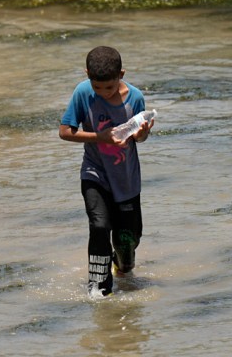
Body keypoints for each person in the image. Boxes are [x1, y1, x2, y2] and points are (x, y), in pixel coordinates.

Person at [58, 45, 153, 299]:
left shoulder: (135, 98)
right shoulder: (82, 93)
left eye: (108, 87)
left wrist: (142, 135)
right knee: (99, 225)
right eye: (96, 87)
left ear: (121, 74)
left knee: (127, 240)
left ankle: (122, 266)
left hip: (127, 179)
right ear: (87, 74)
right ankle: (99, 287)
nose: (102, 93)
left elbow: (139, 137)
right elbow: (65, 131)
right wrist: (99, 137)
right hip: (94, 172)